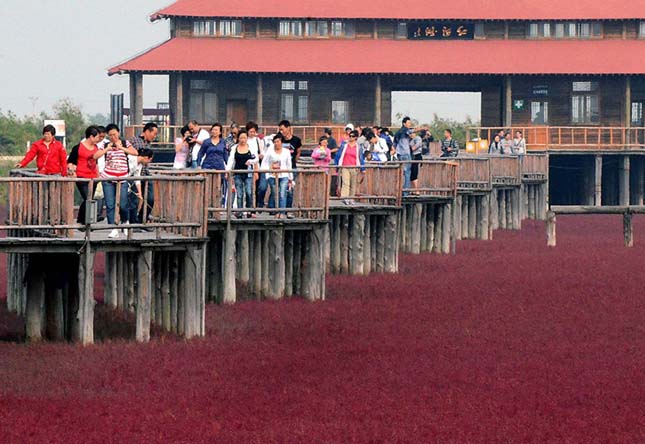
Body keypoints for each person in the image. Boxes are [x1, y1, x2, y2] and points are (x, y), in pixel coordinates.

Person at [96, 123, 139, 238]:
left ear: (118, 133)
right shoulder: (105, 144)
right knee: (110, 204)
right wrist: (108, 149)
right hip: (108, 178)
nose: (113, 137)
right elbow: (95, 156)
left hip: (122, 178)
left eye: (114, 134)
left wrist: (121, 148)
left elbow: (135, 152)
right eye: (110, 135)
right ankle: (113, 228)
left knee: (123, 204)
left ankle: (125, 222)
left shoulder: (125, 143)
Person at [69, 126, 103, 224]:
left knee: (89, 198)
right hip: (81, 176)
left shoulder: (96, 147)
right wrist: (72, 171)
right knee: (87, 197)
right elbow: (70, 161)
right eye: (97, 137)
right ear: (91, 137)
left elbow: (95, 162)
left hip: (93, 177)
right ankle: (89, 219)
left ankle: (83, 220)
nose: (98, 139)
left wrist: (98, 174)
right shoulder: (78, 147)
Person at [129, 122, 158, 223]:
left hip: (145, 173)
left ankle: (141, 219)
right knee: (135, 199)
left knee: (150, 199)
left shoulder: (148, 143)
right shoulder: (133, 140)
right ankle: (132, 222)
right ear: (147, 131)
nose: (155, 136)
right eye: (154, 133)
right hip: (135, 174)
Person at [226, 130, 256, 217]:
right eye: (241, 138)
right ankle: (239, 211)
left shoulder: (251, 147)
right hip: (237, 173)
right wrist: (228, 171)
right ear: (238, 138)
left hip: (248, 173)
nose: (243, 140)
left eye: (245, 138)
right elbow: (231, 160)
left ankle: (249, 210)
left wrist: (250, 161)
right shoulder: (234, 148)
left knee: (249, 192)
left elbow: (256, 158)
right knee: (239, 193)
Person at [264, 134, 293, 217]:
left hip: (284, 174)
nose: (276, 143)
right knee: (274, 192)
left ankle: (282, 212)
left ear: (281, 142)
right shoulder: (270, 151)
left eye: (278, 141)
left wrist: (290, 177)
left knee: (283, 193)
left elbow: (289, 164)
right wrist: (267, 173)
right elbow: (265, 162)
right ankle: (275, 211)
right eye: (275, 142)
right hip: (272, 175)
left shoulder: (286, 151)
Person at [335, 129, 365, 198]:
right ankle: (344, 198)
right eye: (350, 136)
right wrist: (337, 166)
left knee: (353, 184)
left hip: (354, 167)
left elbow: (361, 158)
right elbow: (338, 155)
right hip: (345, 167)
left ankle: (351, 198)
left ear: (356, 138)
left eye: (352, 136)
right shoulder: (344, 146)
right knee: (346, 183)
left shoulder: (359, 147)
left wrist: (363, 168)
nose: (350, 137)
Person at [278, 120, 302, 208]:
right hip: (280, 168)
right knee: (279, 190)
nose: (281, 131)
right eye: (280, 130)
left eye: (282, 129)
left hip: (291, 168)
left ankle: (288, 209)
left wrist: (294, 161)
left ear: (288, 128)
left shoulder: (296, 140)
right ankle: (278, 209)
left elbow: (298, 152)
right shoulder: (279, 139)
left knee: (289, 189)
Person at [128, 148, 155, 226]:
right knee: (130, 202)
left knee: (135, 201)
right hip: (124, 180)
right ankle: (129, 222)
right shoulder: (130, 159)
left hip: (131, 182)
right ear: (146, 157)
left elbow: (137, 178)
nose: (149, 162)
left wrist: (139, 193)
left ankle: (133, 222)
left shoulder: (139, 165)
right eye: (149, 160)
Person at [394, 117, 414, 191]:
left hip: (399, 154)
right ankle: (406, 191)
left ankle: (399, 190)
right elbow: (412, 131)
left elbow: (394, 143)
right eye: (408, 123)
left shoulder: (397, 132)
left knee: (401, 172)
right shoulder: (405, 130)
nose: (409, 124)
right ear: (404, 123)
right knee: (407, 172)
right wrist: (421, 129)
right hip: (405, 154)